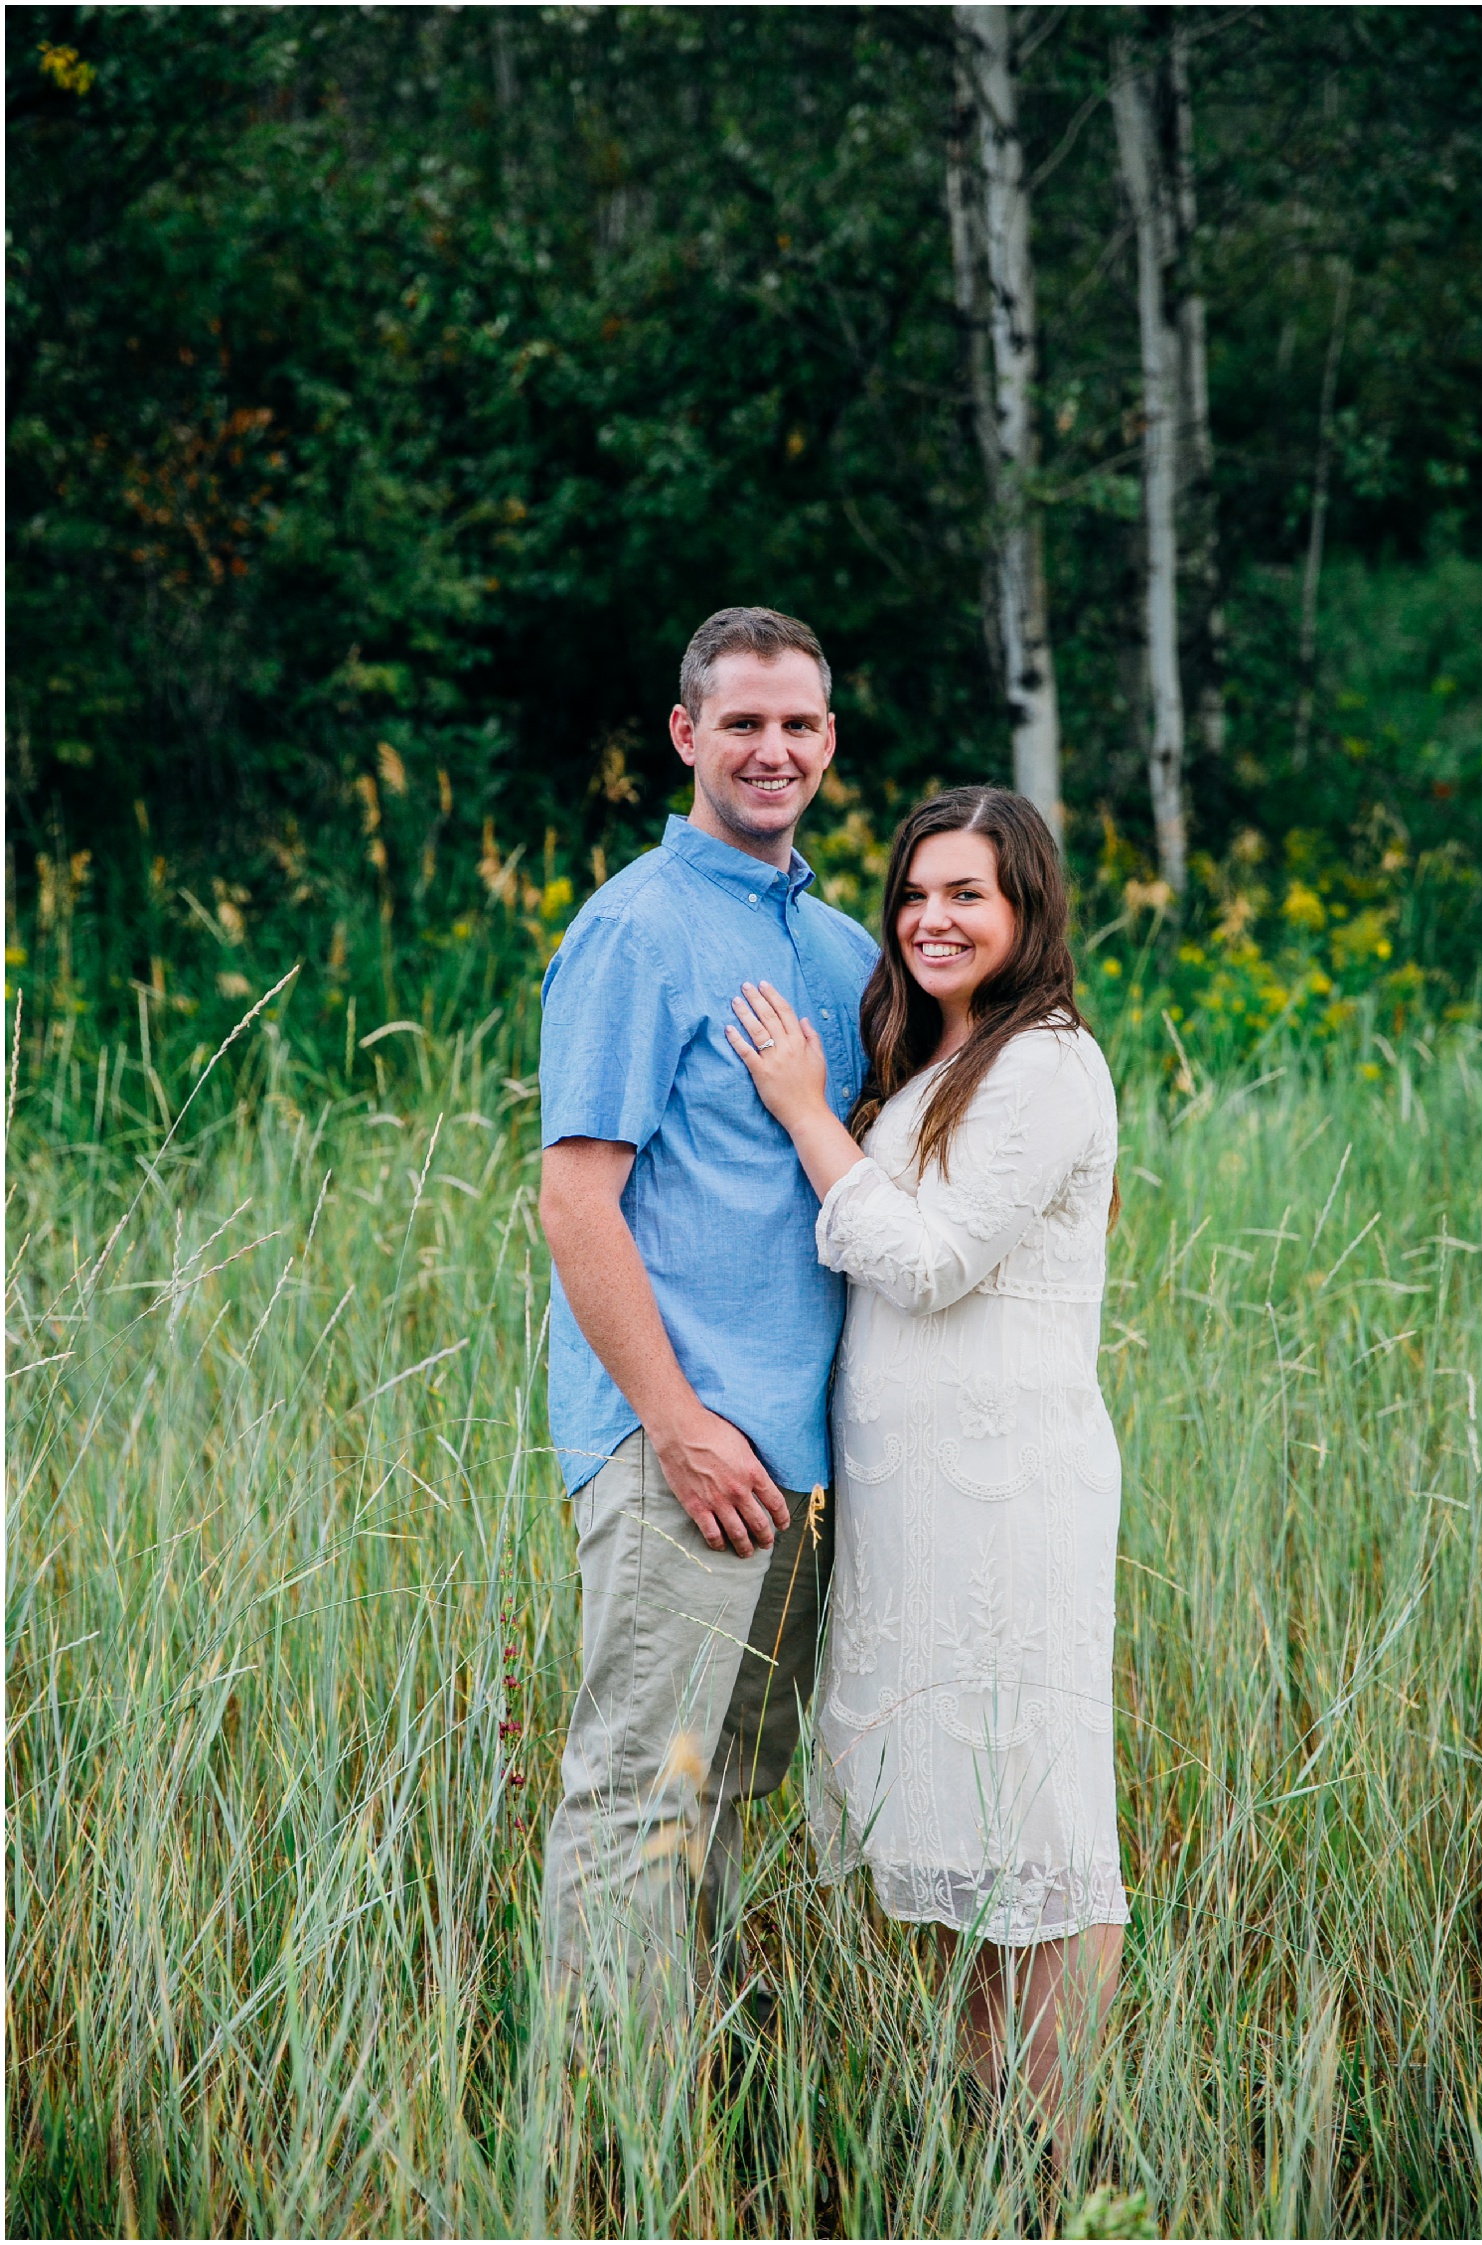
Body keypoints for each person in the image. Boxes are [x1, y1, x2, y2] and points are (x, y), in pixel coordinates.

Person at [726, 784, 1128, 2153]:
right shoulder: (932, 1060)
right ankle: (984, 2137)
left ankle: (1056, 2156)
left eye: (970, 893)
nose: (933, 918)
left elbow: (932, 1259)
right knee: (949, 1837)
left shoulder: (1047, 1064)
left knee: (1034, 1831)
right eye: (917, 893)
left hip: (1008, 1500)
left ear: (1028, 908)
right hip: (910, 1513)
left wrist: (798, 1110)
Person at [537, 606, 878, 2039]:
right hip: (686, 1454)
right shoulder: (635, 929)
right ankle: (613, 2153)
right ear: (685, 735)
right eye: (742, 721)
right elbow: (574, 1201)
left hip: (809, 1464)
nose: (772, 748)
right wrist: (676, 1428)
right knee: (640, 1794)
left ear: (830, 743)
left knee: (733, 1796)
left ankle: (699, 2126)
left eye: (798, 724)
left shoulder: (853, 942)